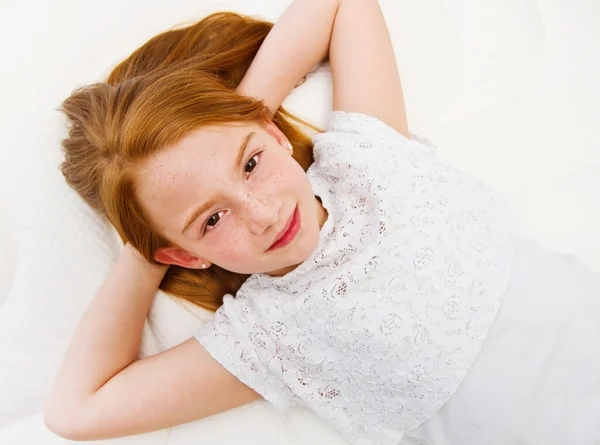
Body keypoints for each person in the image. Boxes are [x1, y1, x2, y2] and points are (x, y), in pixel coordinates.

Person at [44, 0, 600, 444]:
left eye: (253, 163)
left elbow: (341, 4)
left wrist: (239, 121)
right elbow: (76, 410)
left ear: (276, 134)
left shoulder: (369, 160)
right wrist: (149, 246)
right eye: (213, 220)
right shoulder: (270, 335)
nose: (261, 214)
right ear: (184, 255)